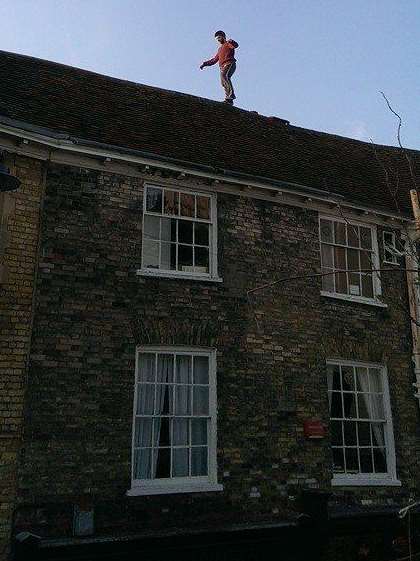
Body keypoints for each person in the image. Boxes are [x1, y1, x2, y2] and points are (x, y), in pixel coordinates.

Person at [200, 30, 239, 104]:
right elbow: (214, 60)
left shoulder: (228, 43)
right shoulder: (220, 49)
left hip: (229, 63)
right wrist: (204, 64)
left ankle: (231, 95)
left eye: (219, 38)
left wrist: (232, 42)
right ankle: (229, 100)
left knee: (225, 76)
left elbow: (235, 46)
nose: (218, 40)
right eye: (217, 39)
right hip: (222, 67)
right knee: (223, 82)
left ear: (223, 37)